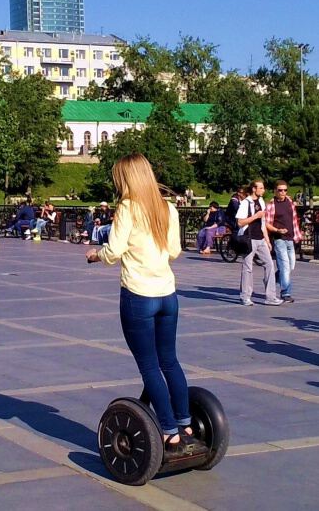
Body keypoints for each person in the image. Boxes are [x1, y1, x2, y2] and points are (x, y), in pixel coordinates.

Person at [86, 153, 194, 451]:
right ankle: (185, 423)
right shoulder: (167, 207)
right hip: (167, 295)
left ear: (127, 178)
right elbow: (174, 251)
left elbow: (115, 250)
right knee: (169, 361)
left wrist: (97, 255)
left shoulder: (127, 208)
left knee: (149, 366)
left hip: (139, 295)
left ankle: (169, 431)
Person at [236, 179, 282, 306]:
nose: (263, 190)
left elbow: (262, 223)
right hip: (248, 238)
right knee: (248, 267)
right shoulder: (246, 203)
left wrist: (267, 240)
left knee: (269, 265)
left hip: (260, 238)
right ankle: (245, 296)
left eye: (263, 188)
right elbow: (240, 222)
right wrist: (255, 216)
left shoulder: (261, 201)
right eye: (260, 188)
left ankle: (270, 296)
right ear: (254, 189)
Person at [266, 180, 303, 303]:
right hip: (279, 239)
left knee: (290, 266)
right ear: (275, 191)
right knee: (285, 267)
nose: (283, 192)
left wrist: (297, 234)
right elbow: (267, 223)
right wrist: (277, 230)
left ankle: (273, 278)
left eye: (285, 190)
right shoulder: (271, 205)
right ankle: (285, 293)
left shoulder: (290, 202)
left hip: (290, 238)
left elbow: (294, 219)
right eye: (280, 190)